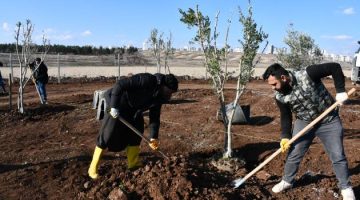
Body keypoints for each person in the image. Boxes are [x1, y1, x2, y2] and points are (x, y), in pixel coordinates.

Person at [262, 63, 355, 200]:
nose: (273, 88)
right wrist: (285, 136)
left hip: (328, 119)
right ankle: (287, 181)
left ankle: (345, 187)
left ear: (283, 77)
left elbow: (335, 67)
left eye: (274, 84)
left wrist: (340, 90)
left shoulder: (307, 74)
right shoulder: (279, 96)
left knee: (337, 155)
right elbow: (286, 116)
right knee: (294, 152)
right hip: (304, 122)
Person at [88, 73, 178, 179]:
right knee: (108, 132)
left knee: (137, 131)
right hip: (117, 102)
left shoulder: (159, 96)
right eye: (169, 91)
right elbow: (120, 85)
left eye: (172, 93)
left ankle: (133, 164)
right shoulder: (147, 80)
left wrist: (153, 137)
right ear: (163, 85)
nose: (170, 95)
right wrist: (113, 107)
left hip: (133, 109)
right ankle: (93, 167)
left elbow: (154, 117)